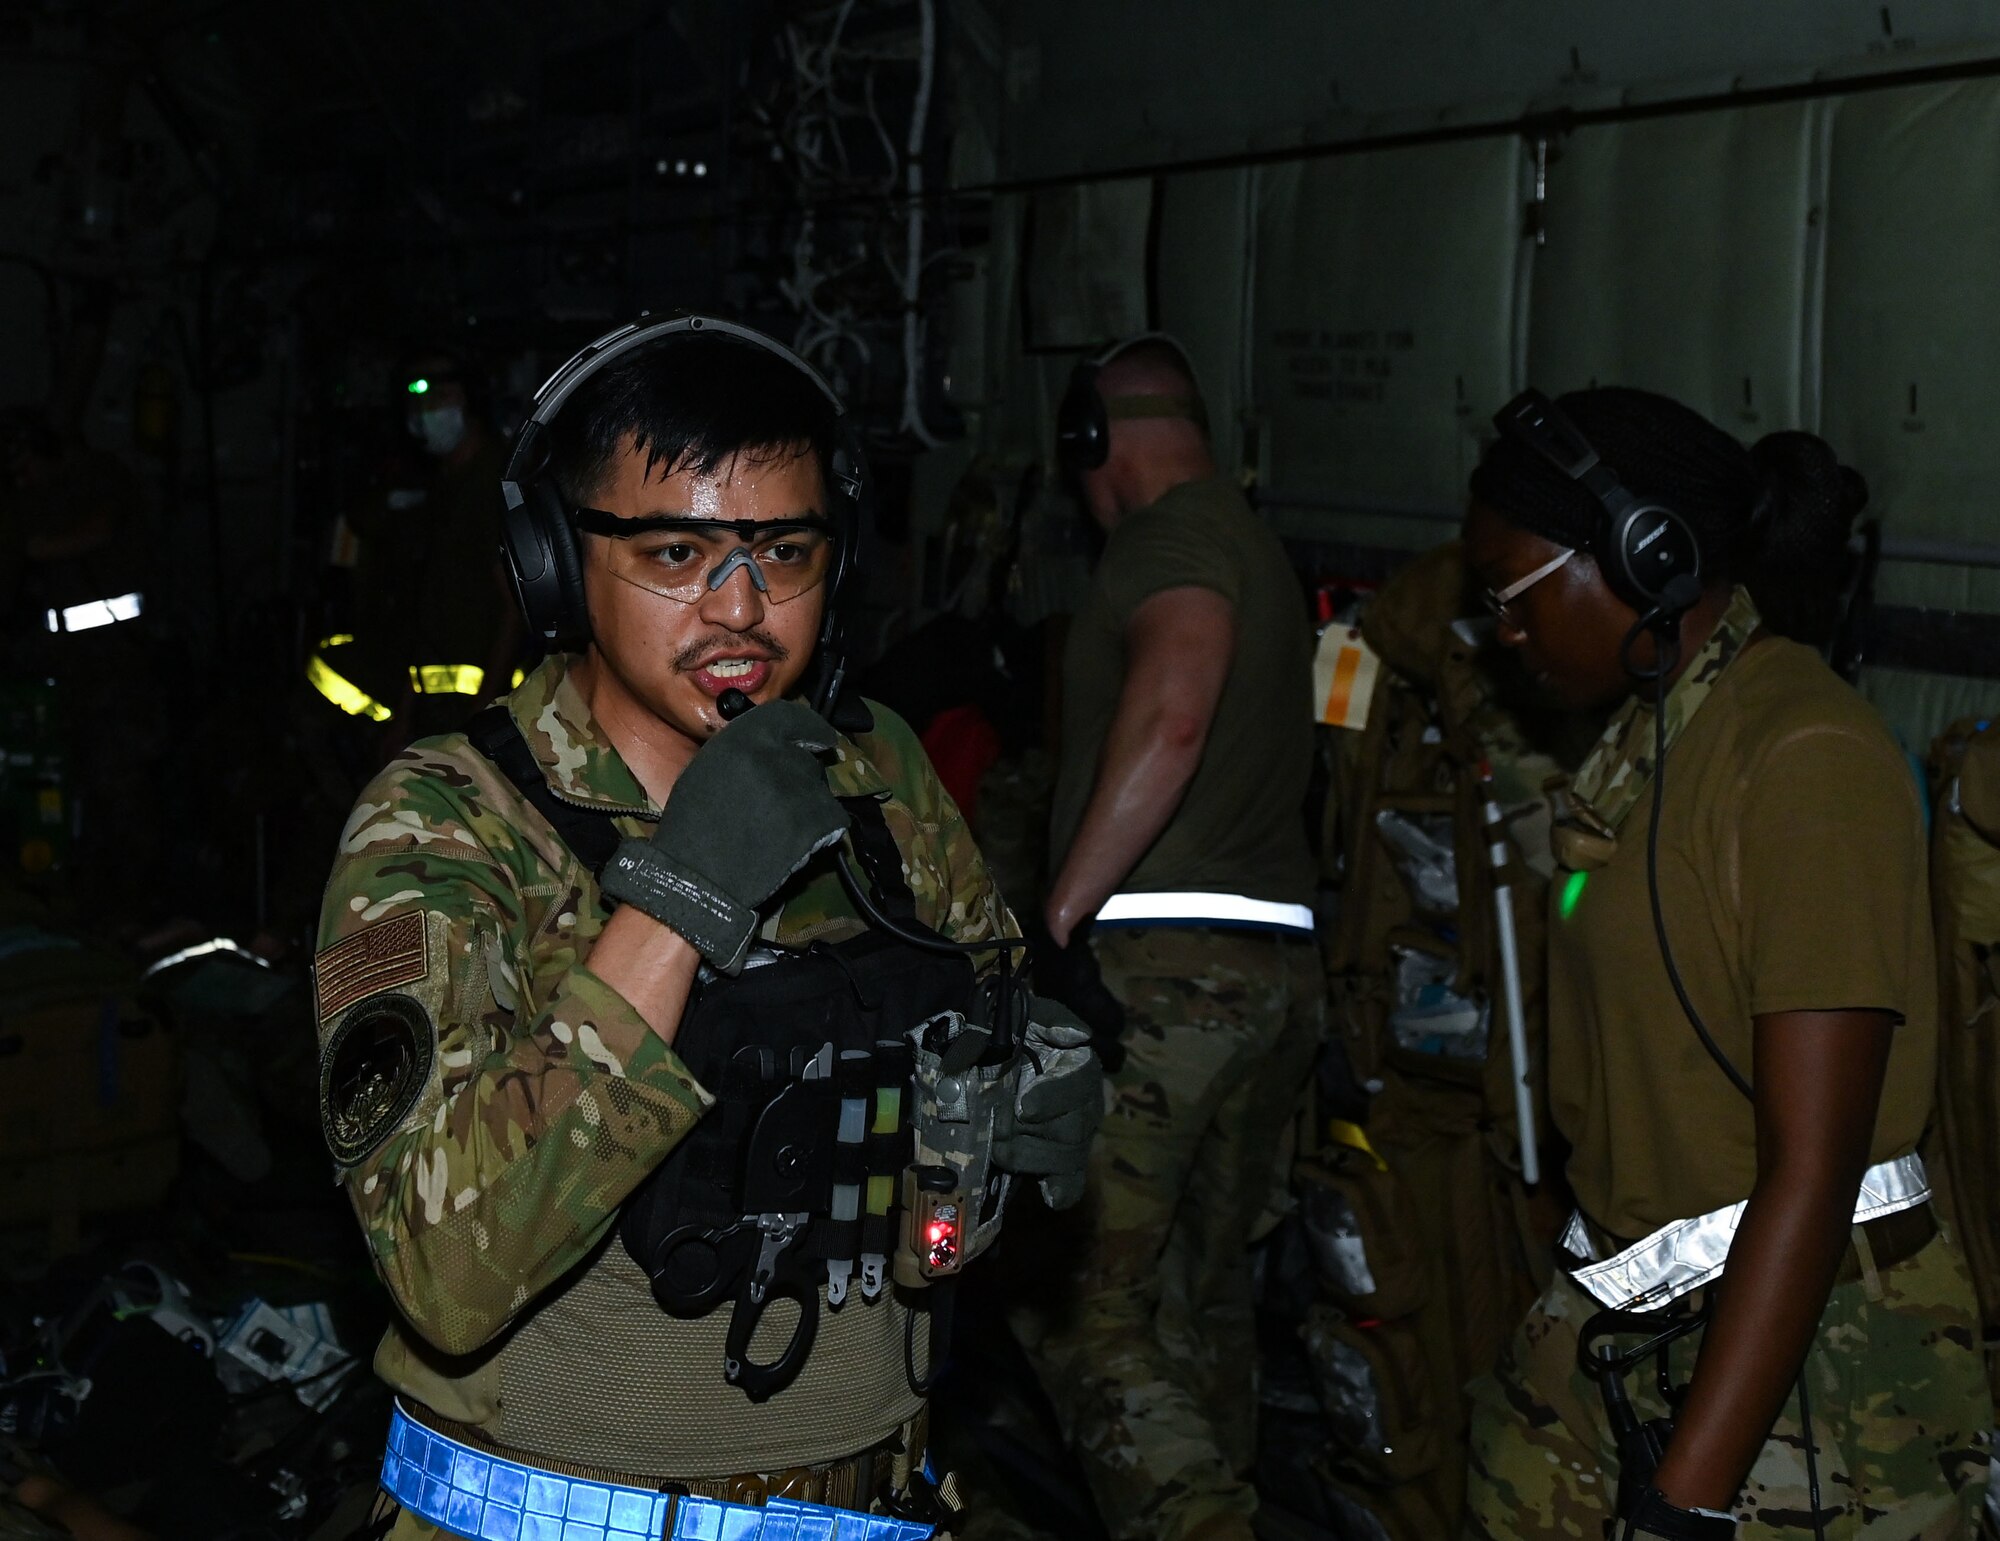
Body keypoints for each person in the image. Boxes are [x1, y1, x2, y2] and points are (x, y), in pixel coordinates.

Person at [313, 318, 1100, 1541]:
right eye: (676, 552)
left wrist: (1024, 1081)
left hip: (868, 1501)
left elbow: (977, 1011)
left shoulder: (875, 770)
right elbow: (446, 1268)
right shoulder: (449, 823)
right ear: (552, 563)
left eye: (784, 552)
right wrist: (681, 895)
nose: (740, 608)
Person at [1458, 386, 1993, 1541]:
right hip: (1641, 1314)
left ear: (1643, 553)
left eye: (1510, 596)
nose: (1500, 632)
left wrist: (1681, 1500)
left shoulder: (1803, 758)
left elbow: (1812, 1165)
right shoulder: (1657, 735)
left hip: (1809, 1375)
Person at [1025, 335, 1324, 1541]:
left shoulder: (1171, 541)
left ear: (1091, 444)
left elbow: (1175, 705)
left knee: (1077, 1311)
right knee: (1200, 1306)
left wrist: (1057, 915)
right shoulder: (1253, 539)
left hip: (1160, 978)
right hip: (1269, 978)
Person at [315, 351, 522, 742]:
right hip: (434, 711)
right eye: (414, 400)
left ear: (471, 399)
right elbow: (423, 616)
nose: (424, 411)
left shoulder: (492, 484)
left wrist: (485, 710)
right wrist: (404, 718)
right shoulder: (442, 489)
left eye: (437, 396)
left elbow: (514, 608)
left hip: (475, 711)